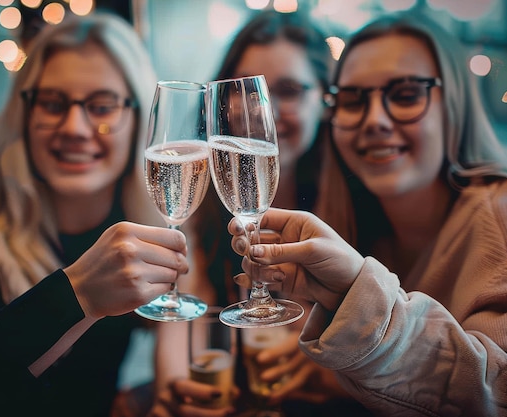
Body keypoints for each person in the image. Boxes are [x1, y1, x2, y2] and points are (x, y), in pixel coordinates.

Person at [0, 11, 177, 416]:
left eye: (101, 105)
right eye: (53, 103)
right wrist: (76, 296)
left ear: (138, 120)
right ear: (24, 116)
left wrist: (142, 397)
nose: (76, 127)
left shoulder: (141, 227)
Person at [228, 10, 507, 417]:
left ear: (455, 105)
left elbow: (497, 391)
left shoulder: (500, 216)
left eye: (407, 94)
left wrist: (358, 298)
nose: (374, 120)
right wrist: (335, 375)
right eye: (354, 99)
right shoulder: (354, 222)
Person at [150, 10, 360, 417]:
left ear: (325, 101)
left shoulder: (361, 203)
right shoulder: (210, 213)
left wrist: (338, 373)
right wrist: (181, 395)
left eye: (288, 90)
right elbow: (178, 343)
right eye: (242, 91)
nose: (260, 112)